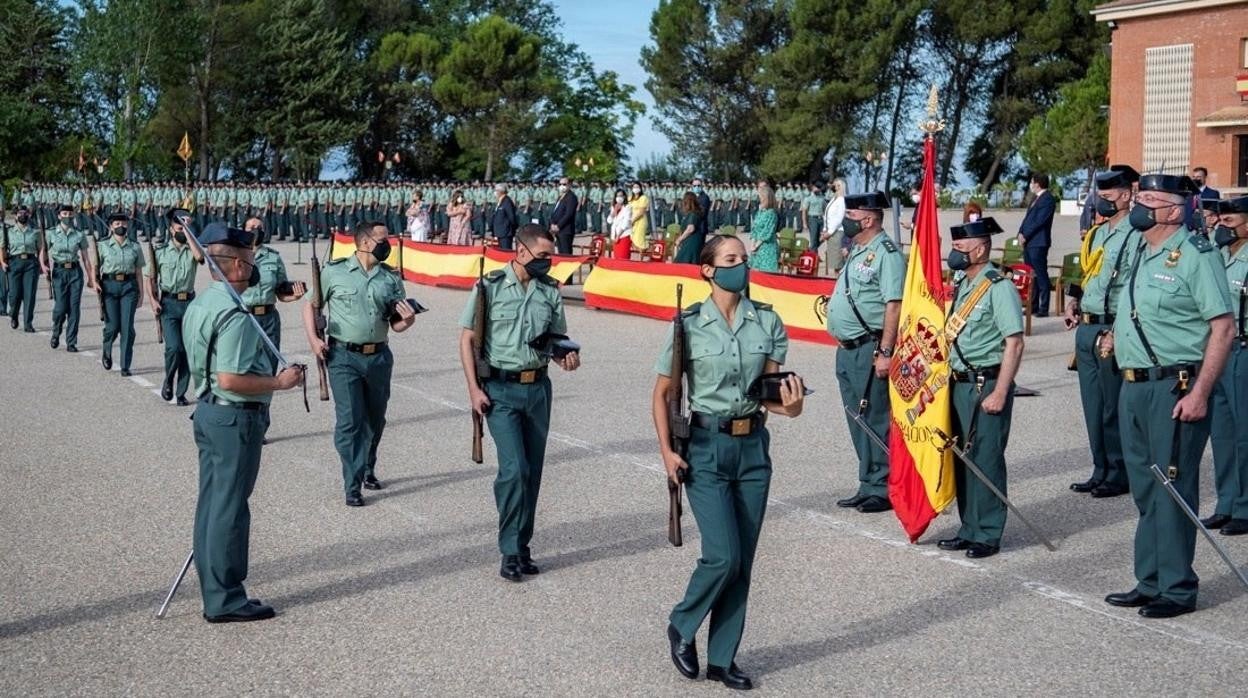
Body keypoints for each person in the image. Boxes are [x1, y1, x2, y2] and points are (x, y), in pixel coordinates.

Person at [655, 234, 804, 690]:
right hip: (704, 447)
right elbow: (662, 394)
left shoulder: (769, 322)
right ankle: (682, 622)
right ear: (708, 269)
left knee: (744, 561)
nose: (741, 265)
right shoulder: (687, 325)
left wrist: (791, 407)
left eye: (744, 258)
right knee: (722, 556)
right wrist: (666, 452)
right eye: (730, 259)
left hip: (753, 450)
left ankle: (723, 658)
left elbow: (770, 392)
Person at [1102, 174, 1233, 618]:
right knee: (1144, 487)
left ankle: (1177, 588)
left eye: (1150, 200)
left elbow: (1222, 327)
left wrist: (1200, 392)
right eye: (1140, 197)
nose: (1140, 205)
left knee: (1172, 487)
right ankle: (1150, 578)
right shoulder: (1141, 249)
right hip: (1134, 386)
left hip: (1175, 387)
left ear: (1175, 210)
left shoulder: (1197, 255)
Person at [184, 222, 305, 623]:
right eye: (251, 261)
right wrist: (279, 383)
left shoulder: (204, 302)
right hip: (233, 415)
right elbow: (230, 377)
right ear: (234, 264)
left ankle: (215, 588)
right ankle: (225, 598)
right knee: (229, 509)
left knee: (213, 505)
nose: (255, 268)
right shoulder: (234, 314)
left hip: (210, 410)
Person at [458, 224, 581, 582]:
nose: (549, 262)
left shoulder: (549, 291)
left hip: (538, 390)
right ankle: (510, 549)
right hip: (500, 390)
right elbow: (466, 339)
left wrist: (565, 357)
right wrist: (473, 390)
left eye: (551, 255)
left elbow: (556, 338)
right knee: (515, 471)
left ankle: (522, 545)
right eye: (543, 255)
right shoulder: (488, 288)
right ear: (522, 252)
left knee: (533, 474)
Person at [304, 221, 416, 506]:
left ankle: (367, 467)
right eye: (382, 238)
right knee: (350, 421)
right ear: (365, 242)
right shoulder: (334, 272)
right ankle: (352, 483)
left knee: (375, 420)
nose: (387, 243)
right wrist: (314, 341)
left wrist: (408, 319)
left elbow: (396, 322)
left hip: (379, 357)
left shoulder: (390, 278)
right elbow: (311, 305)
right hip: (343, 357)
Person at [937, 217, 1025, 559]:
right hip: (958, 383)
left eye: (960, 248)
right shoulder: (964, 283)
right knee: (962, 459)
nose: (954, 254)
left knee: (985, 458)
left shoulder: (997, 287)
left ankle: (988, 532)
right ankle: (968, 526)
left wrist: (1001, 391)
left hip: (985, 383)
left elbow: (1014, 343)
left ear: (981, 248)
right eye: (954, 247)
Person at [1062, 165, 1140, 498]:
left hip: (1111, 326)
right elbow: (1087, 272)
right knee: (1092, 404)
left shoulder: (1135, 234)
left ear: (1126, 195)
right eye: (1100, 196)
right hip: (1087, 325)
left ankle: (1119, 470)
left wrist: (1119, 330)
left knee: (1112, 404)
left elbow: (1132, 286)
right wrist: (1072, 299)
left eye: (1108, 197)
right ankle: (1100, 468)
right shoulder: (1096, 233)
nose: (1102, 202)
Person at [827, 192, 904, 513]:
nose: (846, 220)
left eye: (852, 215)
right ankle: (868, 481)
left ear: (869, 219)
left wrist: (885, 351)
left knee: (874, 416)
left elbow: (894, 305)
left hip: (869, 348)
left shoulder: (887, 254)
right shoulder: (859, 249)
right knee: (857, 418)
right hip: (847, 350)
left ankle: (884, 486)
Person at [1205, 196, 1248, 535]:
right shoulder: (1216, 255)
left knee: (1244, 433)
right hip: (1217, 349)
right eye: (1221, 222)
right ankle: (1226, 501)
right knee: (1221, 433)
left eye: (1231, 223)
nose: (1223, 228)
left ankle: (1245, 507)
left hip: (1243, 349)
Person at [148, 211, 204, 405]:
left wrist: (189, 233)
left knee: (188, 350)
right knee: (174, 347)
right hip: (169, 304)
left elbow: (200, 258)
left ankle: (181, 392)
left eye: (186, 228)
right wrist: (153, 300)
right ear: (171, 229)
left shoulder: (193, 249)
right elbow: (151, 278)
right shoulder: (160, 251)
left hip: (189, 303)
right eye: (180, 228)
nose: (183, 231)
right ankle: (168, 379)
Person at [240, 216, 305, 374]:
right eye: (251, 227)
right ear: (243, 231)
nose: (256, 231)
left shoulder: (273, 257)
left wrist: (294, 296)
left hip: (269, 320)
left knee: (269, 366)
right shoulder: (236, 257)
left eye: (259, 228)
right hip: (245, 317)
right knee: (244, 366)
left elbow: (281, 292)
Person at [98, 213, 146, 376]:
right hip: (109, 286)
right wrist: (95, 283)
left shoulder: (135, 246)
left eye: (124, 224)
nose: (121, 226)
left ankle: (125, 365)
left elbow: (139, 271)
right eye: (117, 223)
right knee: (112, 326)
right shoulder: (102, 245)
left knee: (127, 327)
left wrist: (142, 293)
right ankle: (107, 348)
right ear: (111, 227)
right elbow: (95, 266)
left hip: (129, 287)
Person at [42, 205, 95, 352]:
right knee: (60, 308)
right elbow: (43, 251)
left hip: (75, 273)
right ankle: (56, 331)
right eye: (64, 213)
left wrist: (91, 277)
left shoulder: (79, 234)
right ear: (59, 216)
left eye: (70, 214)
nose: (67, 216)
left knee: (74, 308)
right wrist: (43, 265)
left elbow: (85, 258)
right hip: (59, 272)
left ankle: (71, 341)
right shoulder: (51, 233)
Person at [1017, 173, 1056, 316]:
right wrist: (1020, 233)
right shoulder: (1035, 199)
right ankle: (1032, 305)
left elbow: (1039, 221)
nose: (1030, 185)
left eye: (1032, 182)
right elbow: (1028, 219)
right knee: (1031, 275)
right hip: (1029, 242)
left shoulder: (1048, 199)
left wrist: (1026, 235)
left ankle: (1043, 307)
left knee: (1040, 274)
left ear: (1037, 184)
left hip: (1038, 242)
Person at [1, 206, 43, 332]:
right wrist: (2, 262)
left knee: (29, 294)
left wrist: (42, 263)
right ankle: (13, 315)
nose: (22, 215)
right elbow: (2, 247)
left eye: (25, 213)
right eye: (20, 213)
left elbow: (40, 249)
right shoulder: (8, 231)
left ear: (29, 215)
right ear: (15, 215)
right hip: (14, 263)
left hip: (31, 263)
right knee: (14, 295)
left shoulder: (35, 231)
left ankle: (28, 323)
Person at [747, 180, 779, 272]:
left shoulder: (771, 213)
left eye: (761, 197)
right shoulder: (760, 212)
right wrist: (752, 245)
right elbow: (754, 229)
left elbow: (767, 232)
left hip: (767, 248)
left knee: (767, 275)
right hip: (757, 249)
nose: (759, 199)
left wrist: (756, 246)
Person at [821, 178, 848, 273]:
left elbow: (838, 219)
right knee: (834, 263)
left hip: (837, 233)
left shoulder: (841, 200)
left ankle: (839, 284)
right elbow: (827, 215)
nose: (836, 187)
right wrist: (825, 229)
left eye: (838, 186)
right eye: (834, 185)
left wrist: (829, 232)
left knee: (838, 263)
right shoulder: (833, 199)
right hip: (830, 232)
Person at [672, 192, 706, 264]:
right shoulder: (693, 213)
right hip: (691, 241)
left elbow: (690, 228)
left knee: (681, 262)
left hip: (691, 243)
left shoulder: (692, 214)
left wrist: (680, 239)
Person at [550, 176, 578, 255]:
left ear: (569, 185)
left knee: (566, 254)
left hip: (565, 230)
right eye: (560, 184)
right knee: (560, 253)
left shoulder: (571, 197)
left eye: (564, 184)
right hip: (557, 230)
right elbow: (555, 211)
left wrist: (558, 226)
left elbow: (569, 214)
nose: (562, 186)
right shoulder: (561, 196)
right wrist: (552, 224)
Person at [607, 188, 632, 259]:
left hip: (623, 235)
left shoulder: (627, 207)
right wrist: (614, 211)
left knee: (623, 257)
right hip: (614, 236)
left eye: (621, 196)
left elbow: (625, 224)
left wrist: (618, 236)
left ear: (624, 197)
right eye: (617, 196)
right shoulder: (614, 207)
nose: (619, 198)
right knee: (616, 257)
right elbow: (609, 221)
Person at [492, 184, 518, 251]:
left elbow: (511, 217)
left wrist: (511, 229)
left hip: (506, 232)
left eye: (496, 190)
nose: (495, 192)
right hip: (500, 232)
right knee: (501, 251)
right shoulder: (500, 201)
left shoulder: (507, 201)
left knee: (506, 251)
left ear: (501, 191)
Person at [628, 182, 650, 254]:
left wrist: (632, 221)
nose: (635, 189)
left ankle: (643, 256)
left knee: (639, 240)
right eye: (634, 187)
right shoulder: (630, 198)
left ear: (640, 188)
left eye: (637, 187)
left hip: (640, 221)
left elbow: (641, 212)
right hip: (631, 221)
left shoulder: (643, 198)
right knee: (632, 239)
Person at [802, 182, 825, 250]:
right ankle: (814, 256)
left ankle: (811, 249)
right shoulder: (808, 198)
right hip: (813, 219)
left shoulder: (822, 198)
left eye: (819, 188)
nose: (817, 189)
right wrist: (804, 223)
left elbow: (825, 209)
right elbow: (804, 211)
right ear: (812, 188)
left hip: (821, 219)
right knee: (813, 238)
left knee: (822, 238)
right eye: (816, 187)